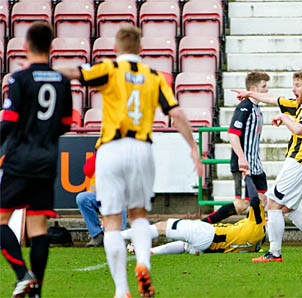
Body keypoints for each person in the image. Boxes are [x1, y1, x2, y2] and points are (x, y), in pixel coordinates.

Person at [54, 25, 202, 298]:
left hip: (111, 148)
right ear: (140, 49)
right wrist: (193, 148)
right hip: (141, 148)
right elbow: (177, 112)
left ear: (116, 49)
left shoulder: (109, 68)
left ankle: (122, 290)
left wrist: (42, 69)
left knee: (111, 220)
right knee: (138, 216)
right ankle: (143, 265)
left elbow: (74, 72)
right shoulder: (153, 76)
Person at [0, 22, 73, 297]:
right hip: (46, 160)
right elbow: (66, 123)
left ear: (25, 48)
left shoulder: (18, 80)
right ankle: (37, 291)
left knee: (2, 219)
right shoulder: (62, 80)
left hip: (20, 159)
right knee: (37, 226)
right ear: (51, 48)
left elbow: (8, 122)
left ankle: (23, 275)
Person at [233, 71, 302, 263]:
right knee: (288, 208)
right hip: (299, 164)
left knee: (272, 203)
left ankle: (274, 253)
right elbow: (273, 98)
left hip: (300, 163)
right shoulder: (300, 105)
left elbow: (299, 129)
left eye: (297, 85)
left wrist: (283, 118)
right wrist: (250, 94)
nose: (293, 89)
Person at [122, 171, 266, 255]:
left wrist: (248, 177)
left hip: (207, 234)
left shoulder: (258, 224)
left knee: (161, 227)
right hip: (207, 248)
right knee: (184, 245)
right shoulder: (255, 246)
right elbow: (223, 214)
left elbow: (254, 199)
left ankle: (117, 235)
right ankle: (149, 252)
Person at [202, 72, 269, 225]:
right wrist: (241, 157)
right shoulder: (244, 107)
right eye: (264, 86)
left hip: (255, 164)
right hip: (244, 165)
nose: (267, 90)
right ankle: (203, 224)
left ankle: (253, 236)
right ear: (253, 88)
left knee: (263, 200)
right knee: (242, 204)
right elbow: (232, 134)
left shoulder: (257, 108)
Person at [76, 152, 127, 247]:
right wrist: (98, 154)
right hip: (99, 197)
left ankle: (120, 235)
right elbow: (88, 170)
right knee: (82, 198)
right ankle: (97, 235)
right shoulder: (99, 155)